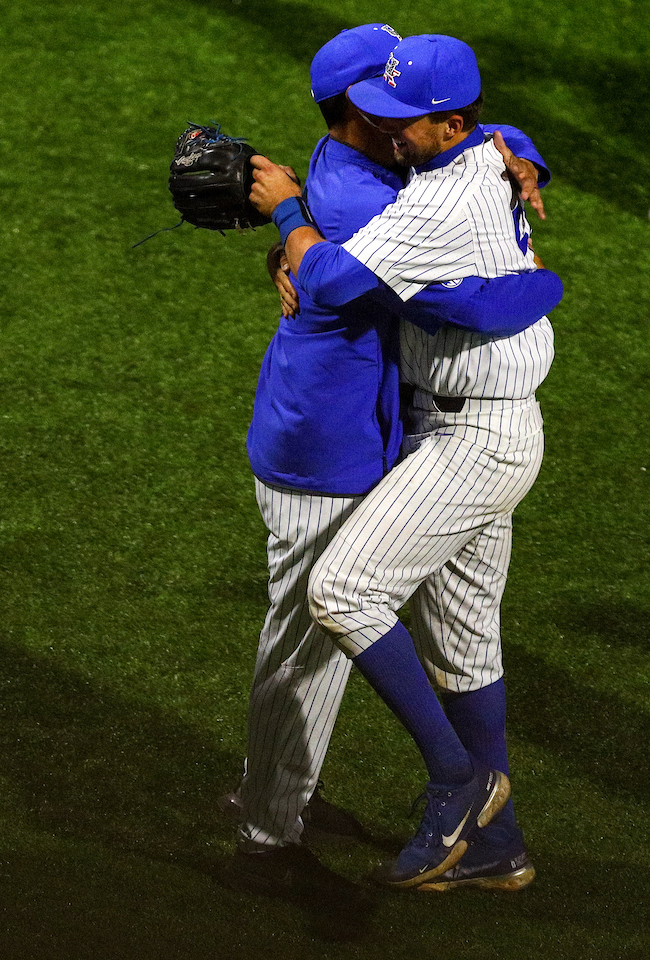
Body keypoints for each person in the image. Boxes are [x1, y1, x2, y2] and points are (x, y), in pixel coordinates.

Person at [228, 25, 554, 898]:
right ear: (354, 117)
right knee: (350, 637)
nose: (395, 118)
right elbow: (343, 274)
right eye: (381, 104)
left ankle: (463, 794)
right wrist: (291, 232)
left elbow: (486, 148)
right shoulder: (384, 188)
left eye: (407, 106)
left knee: (368, 617)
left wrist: (521, 156)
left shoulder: (425, 167)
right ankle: (279, 828)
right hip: (336, 444)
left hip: (458, 434)